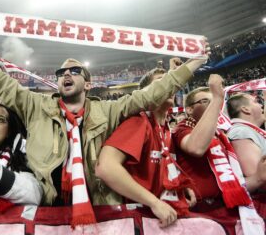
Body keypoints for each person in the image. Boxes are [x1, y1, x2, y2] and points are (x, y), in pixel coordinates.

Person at [0, 10, 207, 225]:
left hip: (101, 210)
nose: (66, 75)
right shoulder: (34, 105)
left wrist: (192, 65)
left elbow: (149, 95)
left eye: (74, 72)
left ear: (88, 83)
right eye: (61, 74)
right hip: (45, 209)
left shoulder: (109, 110)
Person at [96, 59, 196, 228]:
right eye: (160, 83)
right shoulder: (139, 122)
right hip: (140, 219)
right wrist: (154, 202)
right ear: (149, 92)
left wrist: (180, 187)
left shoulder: (166, 130)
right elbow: (105, 167)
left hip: (160, 219)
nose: (168, 87)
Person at [172, 75, 252, 212]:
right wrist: (216, 98)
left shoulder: (220, 133)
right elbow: (196, 148)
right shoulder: (182, 129)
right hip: (203, 210)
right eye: (206, 101)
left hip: (227, 205)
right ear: (190, 109)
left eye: (213, 100)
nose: (213, 104)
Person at [226, 93, 266, 192]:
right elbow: (256, 174)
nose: (261, 105)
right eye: (256, 102)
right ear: (245, 109)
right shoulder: (241, 132)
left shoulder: (248, 130)